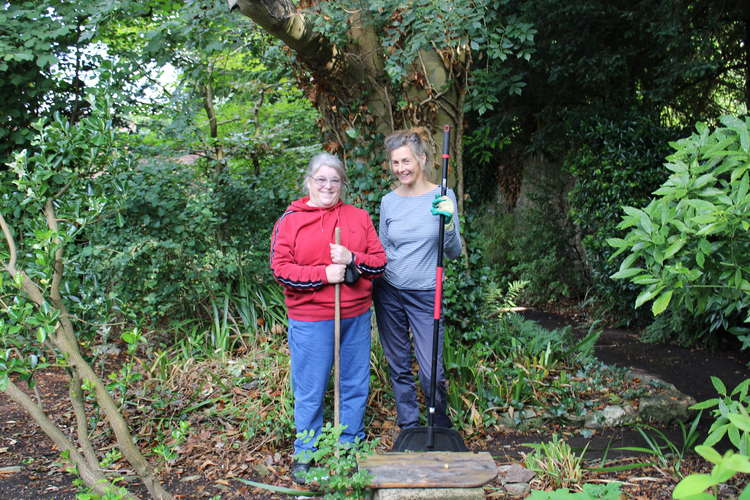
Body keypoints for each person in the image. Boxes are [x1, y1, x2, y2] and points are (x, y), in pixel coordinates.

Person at [270, 152, 386, 483]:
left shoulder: (358, 217)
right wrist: (324, 274)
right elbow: (281, 270)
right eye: (321, 179)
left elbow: (379, 263)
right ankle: (307, 453)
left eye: (335, 180)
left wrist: (353, 258)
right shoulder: (290, 220)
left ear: (342, 184)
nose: (328, 186)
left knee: (354, 384)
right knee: (311, 387)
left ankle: (348, 448)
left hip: (355, 316)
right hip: (311, 319)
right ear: (309, 181)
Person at [374, 127, 462, 432]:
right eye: (395, 163)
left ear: (422, 159)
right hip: (389, 291)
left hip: (426, 292)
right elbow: (382, 249)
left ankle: (438, 424)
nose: (401, 169)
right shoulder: (388, 201)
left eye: (406, 161)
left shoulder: (443, 194)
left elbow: (454, 251)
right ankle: (410, 425)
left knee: (431, 369)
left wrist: (448, 223)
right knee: (398, 363)